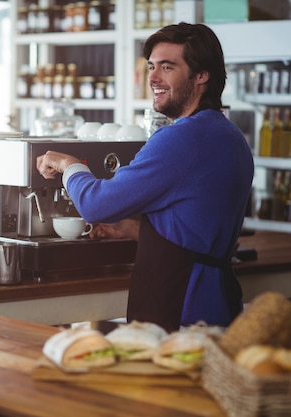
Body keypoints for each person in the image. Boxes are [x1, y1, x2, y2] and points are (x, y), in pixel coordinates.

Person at [36, 23, 254, 332]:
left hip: (180, 306)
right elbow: (197, 229)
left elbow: (95, 205)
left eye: (167, 67)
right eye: (151, 66)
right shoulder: (229, 135)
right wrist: (132, 228)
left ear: (202, 75)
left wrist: (66, 163)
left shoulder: (181, 139)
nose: (153, 78)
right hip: (217, 299)